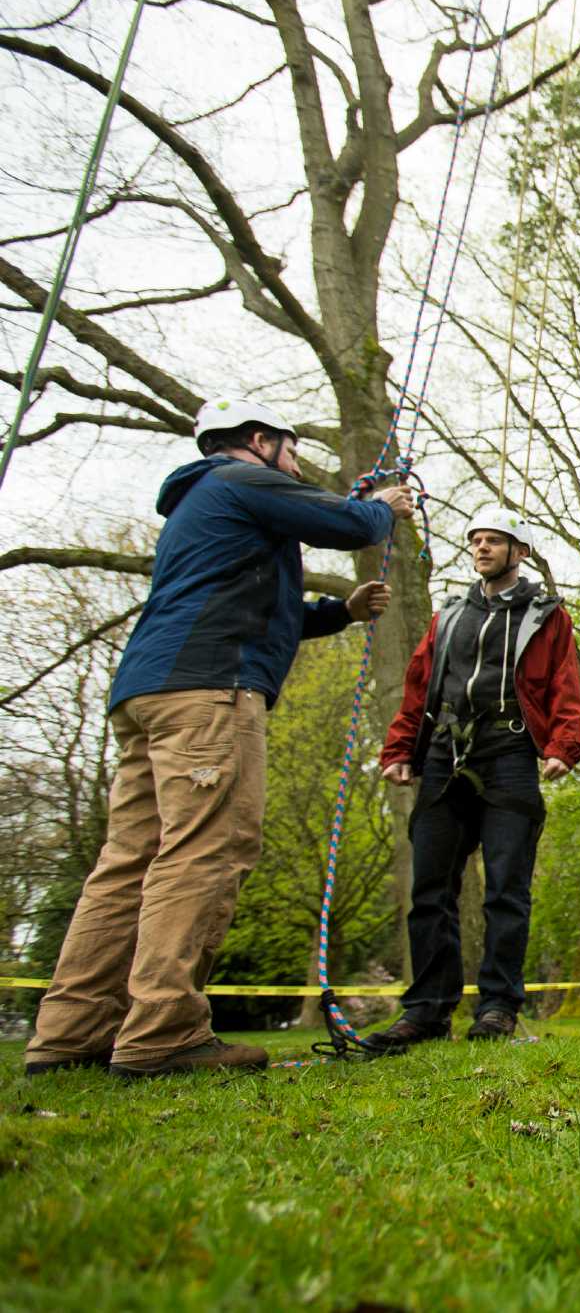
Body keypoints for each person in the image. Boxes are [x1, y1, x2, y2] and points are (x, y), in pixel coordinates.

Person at [23, 399, 412, 1080]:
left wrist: (336, 614)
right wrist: (382, 505)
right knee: (205, 851)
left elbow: (258, 603)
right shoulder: (241, 480)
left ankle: (70, 1031)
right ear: (259, 441)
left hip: (151, 690)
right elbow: (349, 525)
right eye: (292, 452)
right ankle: (163, 1030)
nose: (295, 466)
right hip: (211, 691)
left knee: (128, 863)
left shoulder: (201, 504)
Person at [364, 508, 580, 1053]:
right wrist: (400, 749)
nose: (482, 548)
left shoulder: (545, 616)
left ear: (520, 552)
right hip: (443, 754)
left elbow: (564, 683)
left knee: (507, 888)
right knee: (430, 888)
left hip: (508, 753)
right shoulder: (448, 616)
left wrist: (563, 745)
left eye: (494, 542)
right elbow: (419, 687)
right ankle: (426, 1010)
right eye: (477, 541)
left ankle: (497, 1008)